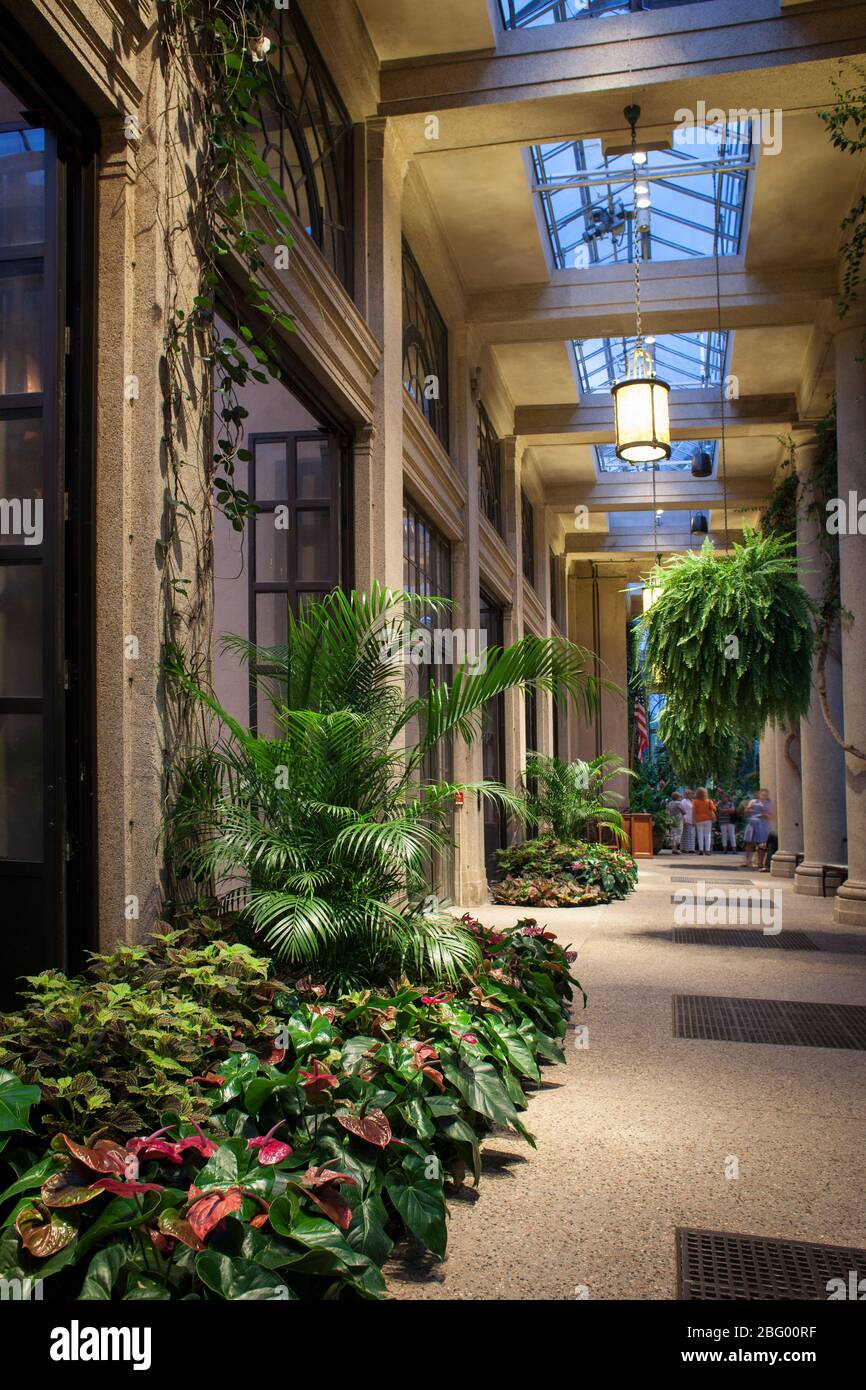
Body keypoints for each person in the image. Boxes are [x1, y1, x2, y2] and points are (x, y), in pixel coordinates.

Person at [743, 789, 773, 870]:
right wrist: (749, 809)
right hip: (753, 823)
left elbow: (771, 816)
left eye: (765, 795)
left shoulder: (768, 804)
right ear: (759, 795)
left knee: (761, 844)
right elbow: (746, 811)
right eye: (762, 794)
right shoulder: (753, 802)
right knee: (749, 843)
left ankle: (760, 863)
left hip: (762, 824)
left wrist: (765, 815)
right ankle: (747, 861)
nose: (763, 796)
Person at [692, 786, 717, 854]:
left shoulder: (695, 802)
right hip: (708, 819)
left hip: (699, 820)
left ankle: (700, 850)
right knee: (708, 835)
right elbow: (714, 809)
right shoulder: (709, 801)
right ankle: (707, 850)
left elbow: (694, 811)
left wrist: (693, 819)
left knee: (700, 835)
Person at [680, 788, 695, 854]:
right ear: (687, 794)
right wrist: (684, 819)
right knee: (685, 834)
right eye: (691, 793)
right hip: (686, 819)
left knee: (691, 834)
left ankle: (691, 848)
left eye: (692, 793)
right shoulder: (684, 801)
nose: (692, 795)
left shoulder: (692, 801)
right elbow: (683, 811)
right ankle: (684, 848)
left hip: (692, 819)